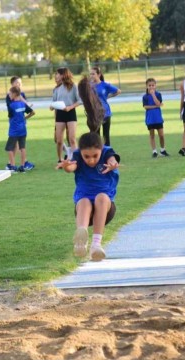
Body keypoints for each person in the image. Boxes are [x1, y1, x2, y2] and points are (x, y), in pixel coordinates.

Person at [57, 78, 120, 262]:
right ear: (81, 154)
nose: (91, 160)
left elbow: (111, 157)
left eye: (95, 156)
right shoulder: (77, 156)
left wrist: (113, 163)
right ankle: (80, 240)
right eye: (87, 157)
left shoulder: (107, 152)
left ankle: (96, 244)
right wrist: (68, 167)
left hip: (105, 208)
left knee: (100, 197)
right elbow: (74, 166)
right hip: (84, 209)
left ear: (100, 151)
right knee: (84, 201)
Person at [51, 67, 81, 163]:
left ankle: (76, 159)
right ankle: (60, 160)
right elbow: (54, 102)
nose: (56, 76)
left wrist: (70, 107)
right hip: (60, 114)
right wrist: (52, 106)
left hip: (70, 113)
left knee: (72, 139)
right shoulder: (56, 89)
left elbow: (80, 101)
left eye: (58, 74)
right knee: (59, 140)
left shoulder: (73, 86)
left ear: (63, 75)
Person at [5, 76, 34, 171]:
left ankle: (12, 166)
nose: (19, 84)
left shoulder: (12, 105)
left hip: (14, 129)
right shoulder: (21, 103)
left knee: (9, 148)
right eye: (17, 83)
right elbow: (31, 111)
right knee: (22, 147)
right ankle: (22, 166)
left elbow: (10, 115)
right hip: (22, 129)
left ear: (13, 94)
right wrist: (24, 117)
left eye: (20, 83)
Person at [89, 66, 121, 146]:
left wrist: (108, 97)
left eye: (93, 74)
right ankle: (98, 155)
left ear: (99, 74)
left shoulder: (105, 85)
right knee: (95, 136)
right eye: (90, 74)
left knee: (106, 135)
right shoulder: (89, 86)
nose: (91, 76)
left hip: (105, 113)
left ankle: (108, 155)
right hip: (94, 114)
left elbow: (118, 91)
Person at [143, 78, 169, 158]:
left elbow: (158, 103)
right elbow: (145, 106)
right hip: (150, 118)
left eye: (153, 85)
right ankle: (154, 151)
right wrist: (155, 106)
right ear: (147, 86)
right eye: (149, 85)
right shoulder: (145, 96)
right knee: (152, 135)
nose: (151, 87)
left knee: (161, 135)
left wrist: (153, 95)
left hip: (158, 118)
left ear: (155, 86)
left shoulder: (158, 94)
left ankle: (162, 150)